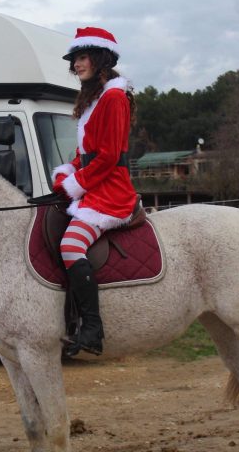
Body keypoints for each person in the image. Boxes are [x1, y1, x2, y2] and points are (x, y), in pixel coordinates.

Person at [51, 27, 138, 356]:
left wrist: (76, 184)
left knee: (71, 246)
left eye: (82, 57)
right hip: (93, 184)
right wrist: (67, 173)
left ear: (102, 58)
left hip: (111, 189)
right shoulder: (94, 99)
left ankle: (92, 328)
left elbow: (109, 156)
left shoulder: (114, 97)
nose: (77, 64)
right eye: (74, 59)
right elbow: (84, 154)